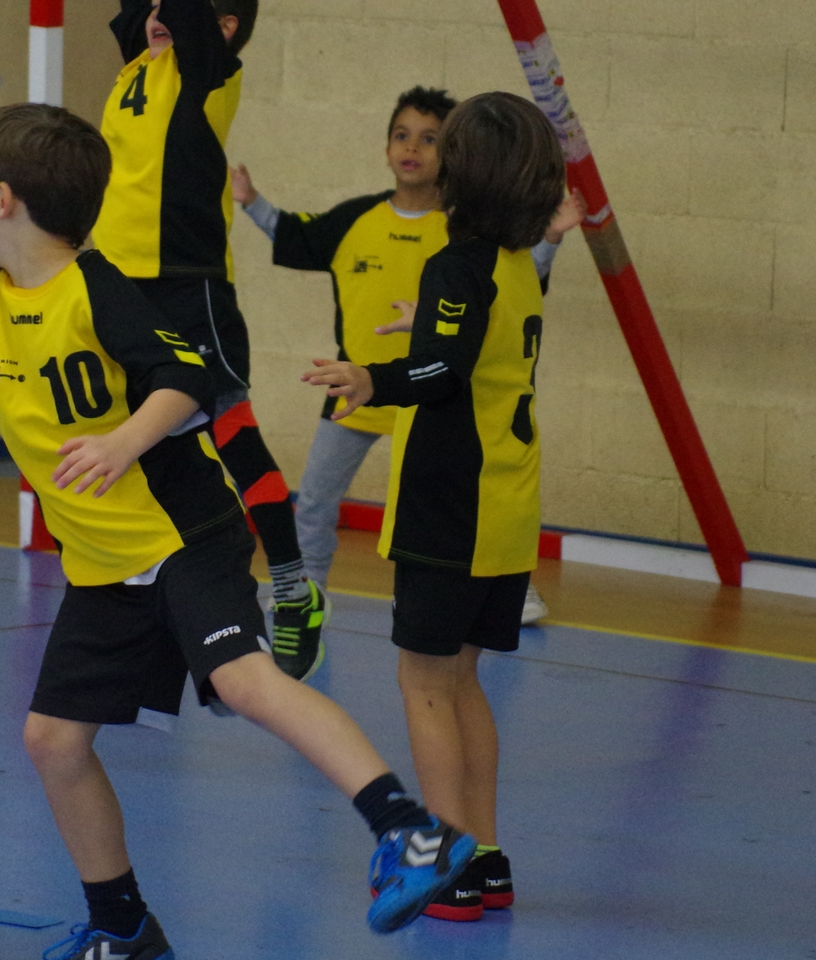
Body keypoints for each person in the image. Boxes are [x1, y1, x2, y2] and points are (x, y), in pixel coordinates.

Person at [0, 98, 477, 954]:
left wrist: (125, 441)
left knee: (245, 683)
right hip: (103, 568)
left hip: (185, 537)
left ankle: (408, 830)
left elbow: (189, 379)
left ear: (4, 199)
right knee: (53, 741)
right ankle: (124, 927)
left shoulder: (98, 289)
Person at [302, 91, 567, 924]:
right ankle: (484, 857)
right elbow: (475, 347)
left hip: (452, 503)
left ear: (460, 172)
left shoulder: (457, 264)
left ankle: (444, 863)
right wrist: (431, 329)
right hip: (507, 505)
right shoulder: (517, 264)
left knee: (423, 682)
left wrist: (371, 376)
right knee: (463, 682)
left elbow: (444, 373)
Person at [87, 0, 326, 683]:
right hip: (119, 285)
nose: (154, 8)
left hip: (190, 283)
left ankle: (293, 583)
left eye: (172, 4)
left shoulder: (206, 75)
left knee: (230, 428)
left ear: (219, 30)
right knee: (138, 439)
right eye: (152, 2)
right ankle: (165, 583)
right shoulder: (138, 68)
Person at [232, 87, 577, 623]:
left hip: (432, 399)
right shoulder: (357, 219)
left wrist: (549, 240)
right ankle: (303, 589)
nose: (412, 147)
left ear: (455, 158)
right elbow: (296, 233)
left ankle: (512, 586)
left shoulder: (469, 239)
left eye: (430, 138)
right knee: (316, 499)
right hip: (359, 389)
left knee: (470, 500)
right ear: (387, 147)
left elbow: (514, 287)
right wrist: (251, 201)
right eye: (401, 135)